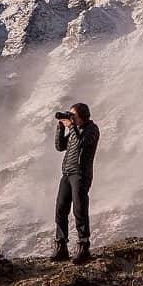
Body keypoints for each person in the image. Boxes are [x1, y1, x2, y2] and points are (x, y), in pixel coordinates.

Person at [51, 102, 100, 264]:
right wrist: (60, 128)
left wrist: (71, 126)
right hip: (66, 173)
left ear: (81, 116)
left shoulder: (92, 130)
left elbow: (80, 144)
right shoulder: (75, 130)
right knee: (61, 208)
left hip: (80, 175)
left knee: (79, 210)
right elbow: (60, 147)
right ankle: (61, 247)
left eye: (72, 115)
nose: (70, 117)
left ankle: (83, 246)